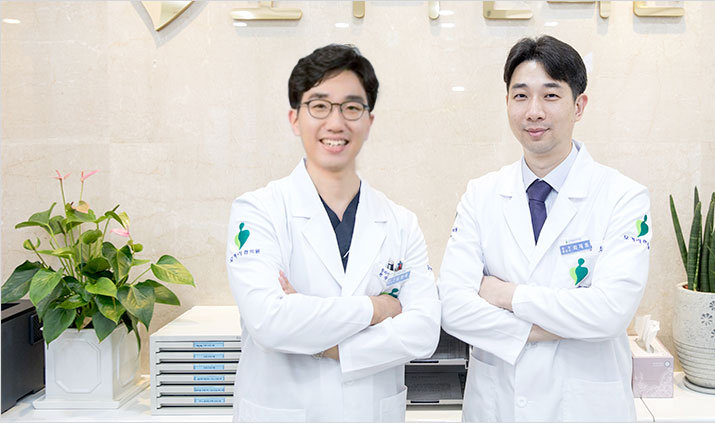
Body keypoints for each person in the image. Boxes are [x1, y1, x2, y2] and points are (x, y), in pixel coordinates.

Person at [438, 35, 652, 422]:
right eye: (520, 96)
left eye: (550, 96)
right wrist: (558, 325)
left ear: (579, 106)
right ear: (507, 102)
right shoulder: (480, 195)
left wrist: (505, 294)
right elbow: (453, 307)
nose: (534, 111)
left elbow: (610, 313)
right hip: (498, 406)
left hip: (585, 408)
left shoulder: (623, 197)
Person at [226, 44, 441, 422]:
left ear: (369, 121)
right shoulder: (259, 211)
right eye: (319, 106)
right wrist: (378, 308)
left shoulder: (400, 222)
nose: (336, 122)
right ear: (295, 119)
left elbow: (423, 332)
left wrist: (323, 344)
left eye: (351, 107)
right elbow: (269, 321)